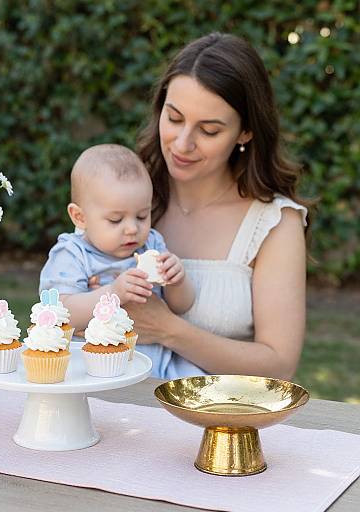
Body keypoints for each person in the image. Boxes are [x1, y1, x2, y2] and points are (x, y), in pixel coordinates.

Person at [114, 32, 309, 380]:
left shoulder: (273, 223)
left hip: (222, 424)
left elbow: (279, 365)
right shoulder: (129, 194)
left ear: (245, 132)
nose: (183, 143)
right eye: (174, 118)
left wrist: (167, 329)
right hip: (116, 414)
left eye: (209, 130)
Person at [39, 143, 195, 333]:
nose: (132, 229)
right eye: (116, 219)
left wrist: (177, 281)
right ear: (80, 217)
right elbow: (59, 314)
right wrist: (113, 293)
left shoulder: (152, 245)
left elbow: (181, 306)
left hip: (156, 360)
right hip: (99, 360)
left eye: (142, 216)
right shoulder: (72, 254)